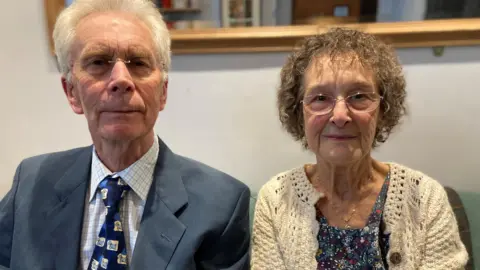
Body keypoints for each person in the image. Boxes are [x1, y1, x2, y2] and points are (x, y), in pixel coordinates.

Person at [0, 0, 250, 269]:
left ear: (162, 92)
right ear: (71, 92)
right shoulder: (30, 182)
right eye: (98, 62)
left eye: (139, 63)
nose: (121, 80)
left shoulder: (222, 205)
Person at [251, 28, 468, 269]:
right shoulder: (276, 199)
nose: (340, 115)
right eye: (320, 98)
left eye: (359, 96)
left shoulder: (425, 198)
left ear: (383, 111)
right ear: (299, 114)